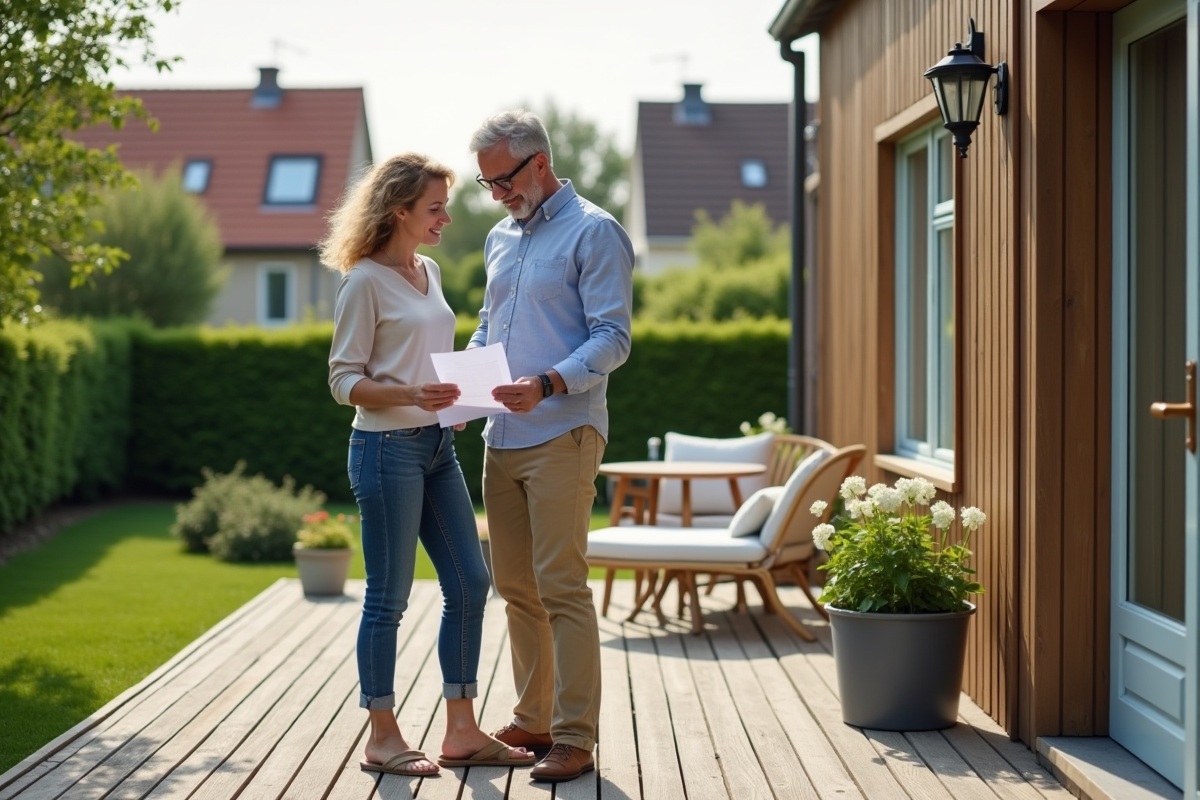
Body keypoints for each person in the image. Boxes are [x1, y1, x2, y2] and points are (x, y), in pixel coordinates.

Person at [322, 153, 535, 777]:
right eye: (435, 207)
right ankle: (382, 736)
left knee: (471, 582)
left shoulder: (429, 270)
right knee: (387, 598)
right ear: (400, 211)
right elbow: (343, 381)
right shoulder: (363, 280)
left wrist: (457, 399)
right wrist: (412, 395)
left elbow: (431, 358)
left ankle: (462, 730)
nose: (446, 216)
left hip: (438, 448)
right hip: (385, 449)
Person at [467, 111, 634, 782]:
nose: (497, 194)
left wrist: (548, 382)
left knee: (561, 586)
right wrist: (463, 391)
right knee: (514, 587)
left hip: (563, 431)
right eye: (487, 185)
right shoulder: (499, 238)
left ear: (539, 162)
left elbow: (612, 336)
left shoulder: (595, 231)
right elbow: (487, 328)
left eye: (502, 180)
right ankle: (532, 719)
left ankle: (574, 736)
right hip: (499, 436)